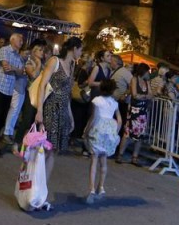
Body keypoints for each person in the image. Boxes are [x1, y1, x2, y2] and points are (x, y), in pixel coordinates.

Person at [34, 35, 82, 190]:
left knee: (54, 150)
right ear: (74, 48)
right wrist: (39, 110)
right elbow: (42, 85)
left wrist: (70, 115)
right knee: (45, 149)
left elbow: (67, 93)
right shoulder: (55, 61)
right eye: (80, 50)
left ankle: (43, 189)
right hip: (50, 108)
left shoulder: (72, 65)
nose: (81, 53)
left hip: (62, 111)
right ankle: (34, 186)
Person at [83, 77, 122, 204]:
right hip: (109, 131)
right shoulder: (114, 103)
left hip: (98, 130)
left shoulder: (97, 100)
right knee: (104, 161)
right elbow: (119, 120)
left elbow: (94, 117)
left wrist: (86, 130)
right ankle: (101, 187)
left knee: (94, 160)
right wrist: (115, 131)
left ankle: (91, 189)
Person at [116, 62, 151, 165]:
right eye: (147, 71)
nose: (149, 73)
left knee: (140, 135)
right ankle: (120, 155)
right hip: (134, 110)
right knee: (127, 133)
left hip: (143, 111)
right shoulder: (134, 79)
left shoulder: (147, 82)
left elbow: (151, 95)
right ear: (143, 71)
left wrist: (142, 96)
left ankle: (134, 157)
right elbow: (135, 95)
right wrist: (145, 96)